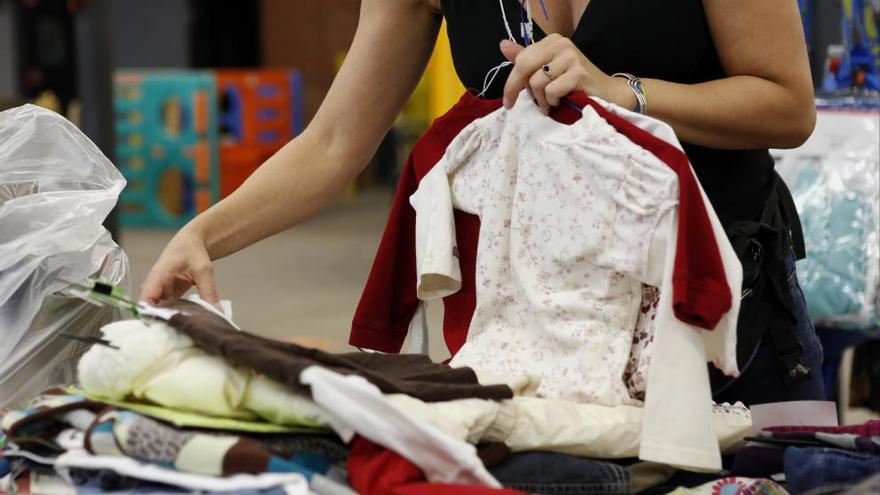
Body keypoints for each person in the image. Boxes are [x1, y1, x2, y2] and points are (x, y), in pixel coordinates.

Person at [141, 0, 822, 405]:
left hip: (724, 318)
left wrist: (625, 91)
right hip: (547, 333)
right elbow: (334, 141)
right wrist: (204, 233)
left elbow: (788, 103)